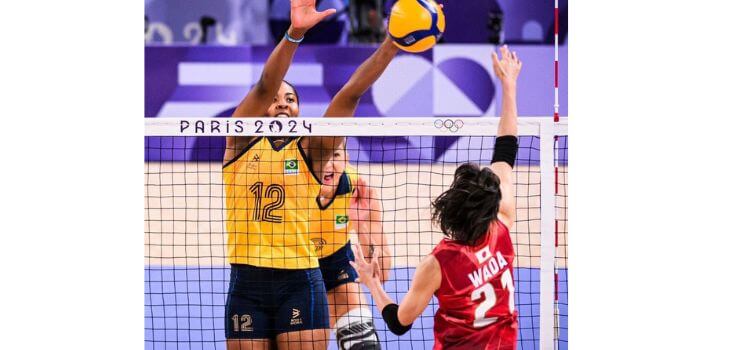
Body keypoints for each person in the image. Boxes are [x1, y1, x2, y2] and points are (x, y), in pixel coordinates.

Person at [223, 0, 400, 348]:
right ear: (261, 108)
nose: (283, 103)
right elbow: (263, 85)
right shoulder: (240, 143)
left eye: (290, 99)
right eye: (276, 99)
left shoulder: (313, 152)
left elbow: (350, 94)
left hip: (300, 282)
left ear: (300, 110)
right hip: (247, 283)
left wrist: (392, 44)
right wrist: (295, 34)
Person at [349, 45, 523, 350]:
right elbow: (506, 149)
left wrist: (371, 282)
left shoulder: (438, 263)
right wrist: (509, 85)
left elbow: (399, 323)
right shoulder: (502, 224)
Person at [310, 142, 392, 349]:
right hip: (293, 270)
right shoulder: (289, 189)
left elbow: (382, 273)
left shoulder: (358, 189)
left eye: (335, 155)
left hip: (336, 266)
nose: (328, 164)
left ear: (346, 158)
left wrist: (360, 224)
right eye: (321, 155)